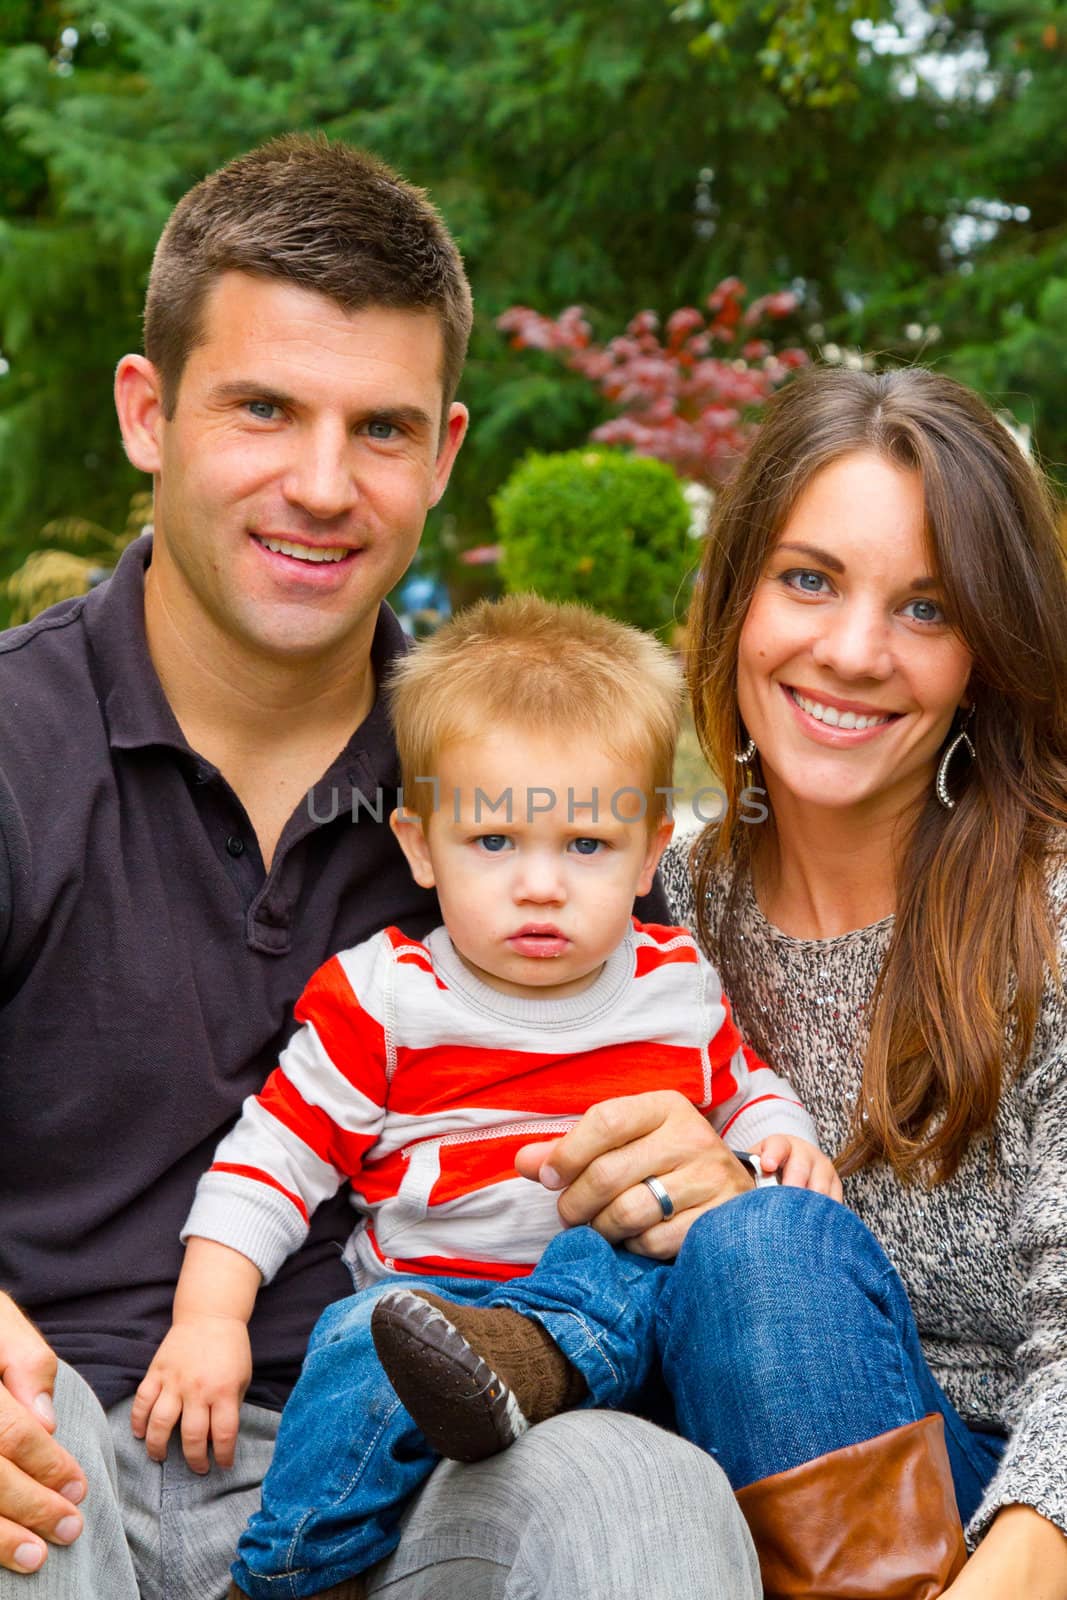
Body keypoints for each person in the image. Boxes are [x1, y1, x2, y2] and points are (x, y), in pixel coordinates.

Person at [0, 137, 764, 1600]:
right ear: (146, 413)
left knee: (640, 1492)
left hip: (415, 1458)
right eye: (265, 409)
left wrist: (701, 1181)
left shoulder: (532, 793)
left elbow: (674, 1083)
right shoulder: (14, 746)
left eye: (380, 429)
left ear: (446, 452)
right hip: (61, 1438)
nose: (320, 483)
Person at [128, 593, 836, 1599]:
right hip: (430, 1319)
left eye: (583, 847)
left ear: (645, 854)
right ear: (420, 847)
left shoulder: (672, 986)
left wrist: (782, 1144)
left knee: (634, 1254)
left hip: (615, 1351)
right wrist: (208, 1317)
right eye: (494, 842)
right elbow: (269, 1159)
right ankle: (291, 1569)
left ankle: (537, 1351)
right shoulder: (387, 999)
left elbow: (744, 1092)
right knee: (352, 1344)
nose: (538, 885)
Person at [642, 364, 1067, 1597]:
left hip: (1004, 1514)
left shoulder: (1045, 915)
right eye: (808, 579)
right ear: (734, 598)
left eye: (926, 610)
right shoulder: (650, 908)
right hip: (709, 1505)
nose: (850, 652)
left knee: (763, 1246)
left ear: (986, 655)